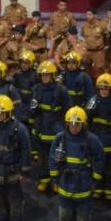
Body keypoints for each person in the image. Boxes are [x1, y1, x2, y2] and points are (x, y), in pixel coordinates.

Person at [49, 106, 104, 221]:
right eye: (71, 124)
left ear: (83, 125)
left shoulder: (91, 140)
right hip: (65, 185)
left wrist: (95, 179)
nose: (74, 127)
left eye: (77, 124)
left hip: (83, 185)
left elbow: (100, 158)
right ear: (67, 124)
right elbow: (52, 159)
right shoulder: (60, 138)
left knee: (82, 218)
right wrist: (55, 178)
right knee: (64, 216)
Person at [29, 60, 70, 192]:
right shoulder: (36, 89)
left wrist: (65, 128)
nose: (44, 77)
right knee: (42, 158)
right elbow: (34, 111)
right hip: (42, 128)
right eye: (42, 75)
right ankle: (44, 179)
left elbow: (67, 110)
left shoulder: (61, 90)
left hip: (56, 128)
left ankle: (56, 181)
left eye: (47, 75)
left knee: (57, 157)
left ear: (52, 75)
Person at [86, 74, 111, 201]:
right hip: (97, 138)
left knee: (110, 167)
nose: (103, 91)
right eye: (101, 88)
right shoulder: (93, 101)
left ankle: (109, 189)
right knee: (97, 166)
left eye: (106, 88)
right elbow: (88, 120)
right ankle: (97, 188)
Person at [12, 50, 38, 125]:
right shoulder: (17, 74)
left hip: (30, 105)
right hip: (20, 104)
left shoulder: (35, 76)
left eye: (26, 63)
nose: (23, 65)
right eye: (22, 63)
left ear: (31, 63)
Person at [81, 9, 107, 78]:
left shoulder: (102, 25)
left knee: (100, 70)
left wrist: (103, 46)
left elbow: (107, 37)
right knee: (85, 69)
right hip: (88, 51)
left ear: (95, 15)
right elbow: (83, 35)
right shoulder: (84, 25)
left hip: (98, 52)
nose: (88, 16)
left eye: (90, 14)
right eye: (87, 14)